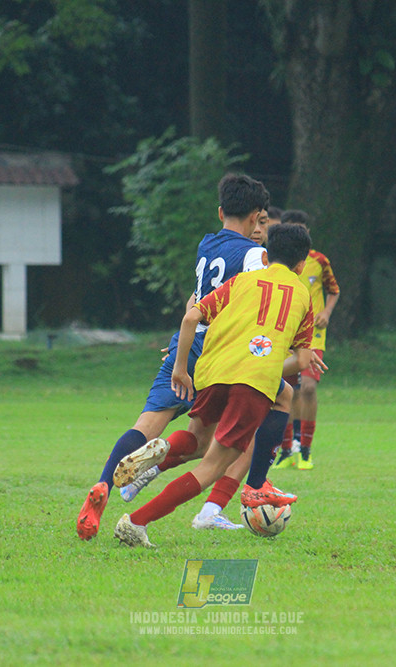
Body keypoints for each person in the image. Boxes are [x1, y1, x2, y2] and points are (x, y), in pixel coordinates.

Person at [76, 173, 270, 540]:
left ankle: (103, 484)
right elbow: (254, 305)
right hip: (222, 354)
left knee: (146, 424)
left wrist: (183, 345)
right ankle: (198, 496)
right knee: (221, 443)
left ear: (220, 211)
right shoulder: (254, 255)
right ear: (255, 216)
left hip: (188, 342)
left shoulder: (206, 244)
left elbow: (194, 302)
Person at [114, 223, 315, 547]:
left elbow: (191, 318)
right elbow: (303, 361)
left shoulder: (242, 280)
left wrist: (180, 369)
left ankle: (165, 448)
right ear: (302, 264)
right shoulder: (303, 295)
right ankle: (137, 522)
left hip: (212, 369)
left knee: (197, 441)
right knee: (212, 466)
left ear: (265, 256)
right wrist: (263, 363)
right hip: (250, 383)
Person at [271, 209, 340, 470]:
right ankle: (286, 449)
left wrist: (326, 312)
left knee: (308, 387)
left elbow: (333, 290)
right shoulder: (279, 262)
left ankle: (306, 449)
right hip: (286, 332)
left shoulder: (319, 260)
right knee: (287, 390)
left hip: (314, 334)